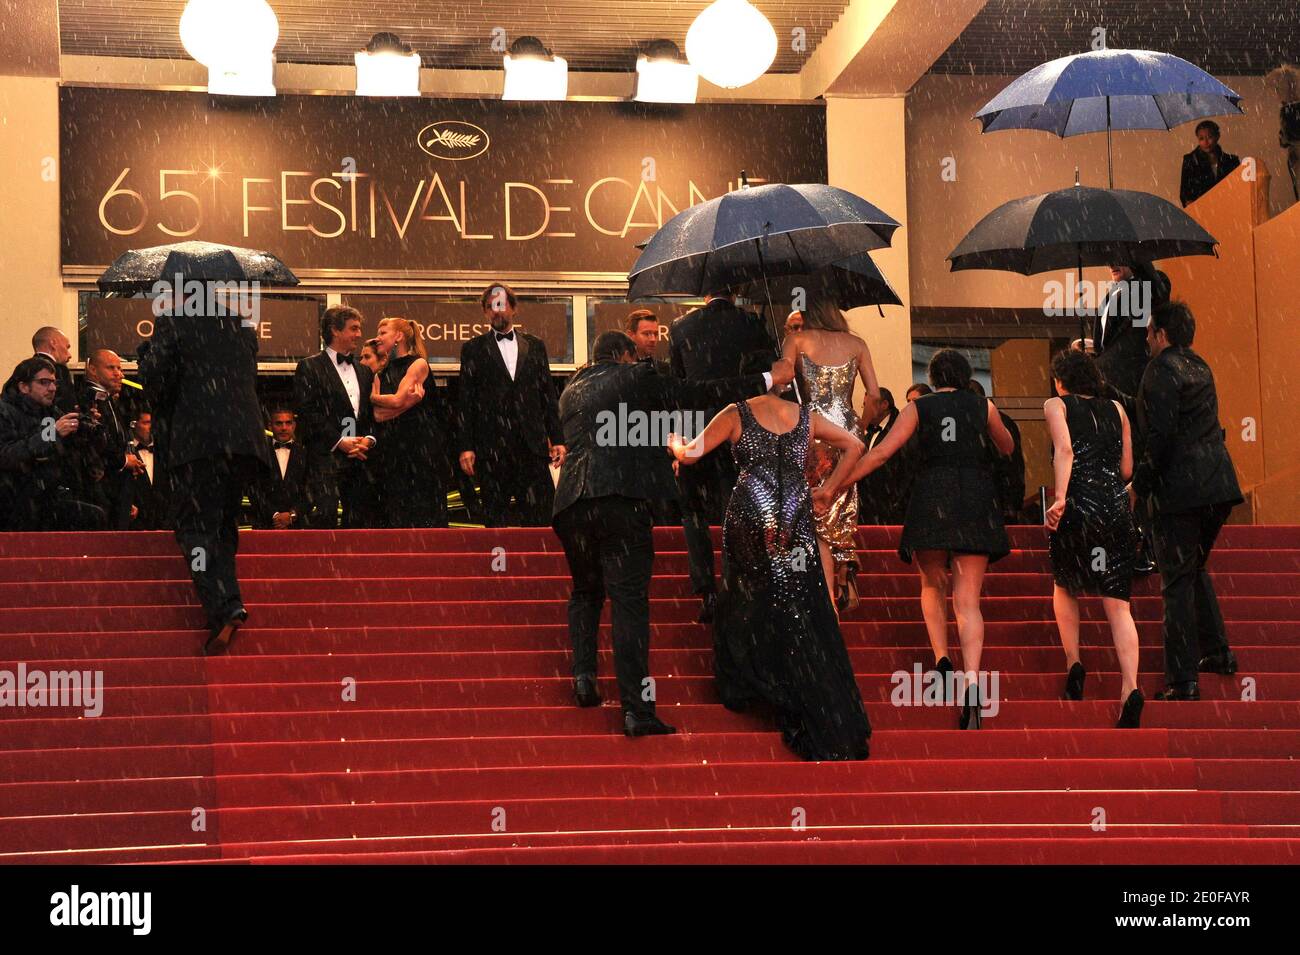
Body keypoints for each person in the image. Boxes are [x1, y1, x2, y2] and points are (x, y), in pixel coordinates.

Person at [552, 330, 791, 736]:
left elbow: (620, 431)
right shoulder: (636, 377)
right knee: (629, 601)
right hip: (620, 499)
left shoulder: (571, 391)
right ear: (626, 355)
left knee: (586, 592)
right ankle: (636, 710)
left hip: (572, 503)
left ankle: (584, 678)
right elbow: (696, 393)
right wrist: (768, 380)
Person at [669, 374, 870, 760]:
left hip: (750, 517)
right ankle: (802, 687)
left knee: (750, 597)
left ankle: (753, 683)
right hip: (795, 516)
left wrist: (674, 443)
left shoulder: (736, 412)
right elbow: (855, 445)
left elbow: (691, 455)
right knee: (796, 599)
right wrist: (828, 490)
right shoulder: (806, 416)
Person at [836, 349, 1014, 729]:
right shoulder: (983, 406)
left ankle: (941, 659)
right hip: (973, 496)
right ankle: (971, 689)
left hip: (933, 495)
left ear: (933, 377)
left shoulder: (920, 408)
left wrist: (842, 483)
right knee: (968, 601)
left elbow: (883, 452)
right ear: (967, 375)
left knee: (932, 583)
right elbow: (1008, 447)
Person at [137, 293, 272, 655]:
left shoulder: (174, 321)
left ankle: (223, 607)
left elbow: (155, 381)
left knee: (195, 528)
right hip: (243, 442)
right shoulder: (242, 324)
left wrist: (145, 351)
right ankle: (231, 600)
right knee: (224, 526)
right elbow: (248, 377)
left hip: (197, 444)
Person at [1132, 301, 1243, 701]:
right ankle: (1217, 653)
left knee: (1176, 581)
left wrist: (1140, 486)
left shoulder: (1160, 369)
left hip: (1180, 489)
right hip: (1217, 485)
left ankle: (1182, 680)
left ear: (1161, 335)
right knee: (1193, 568)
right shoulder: (1201, 366)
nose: (1146, 338)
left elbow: (1160, 437)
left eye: (1148, 331)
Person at [1043, 350, 1144, 728]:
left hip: (1078, 507)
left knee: (1065, 584)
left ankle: (1074, 664)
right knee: (1118, 604)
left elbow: (1065, 451)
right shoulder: (1117, 409)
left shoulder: (1057, 405)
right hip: (1116, 510)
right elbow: (1127, 468)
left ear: (1060, 379)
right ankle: (1130, 687)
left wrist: (1059, 499)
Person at [669, 290, 776, 622]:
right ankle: (736, 582)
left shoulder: (680, 328)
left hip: (697, 430)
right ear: (735, 291)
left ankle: (706, 589)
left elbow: (679, 389)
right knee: (738, 510)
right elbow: (764, 382)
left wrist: (680, 440)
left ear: (704, 292)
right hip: (741, 427)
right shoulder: (752, 322)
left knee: (694, 513)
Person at [782, 293, 879, 611]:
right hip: (847, 430)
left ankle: (822, 582)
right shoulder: (857, 343)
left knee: (816, 506)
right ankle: (844, 565)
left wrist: (786, 340)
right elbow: (874, 396)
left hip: (812, 429)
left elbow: (780, 382)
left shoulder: (797, 340)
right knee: (841, 500)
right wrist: (861, 428)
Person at [457, 283, 564, 527]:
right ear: (485, 312)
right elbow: (466, 400)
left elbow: (547, 394)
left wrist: (557, 439)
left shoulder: (536, 346)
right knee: (496, 522)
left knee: (541, 521)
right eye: (491, 306)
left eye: (501, 305)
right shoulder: (472, 349)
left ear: (514, 308)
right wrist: (466, 446)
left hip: (533, 447)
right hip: (491, 448)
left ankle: (540, 565)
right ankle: (498, 566)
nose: (497, 311)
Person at [293, 305, 380, 528]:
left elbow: (370, 414)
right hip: (325, 457)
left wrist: (368, 440)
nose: (359, 335)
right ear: (335, 330)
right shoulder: (309, 367)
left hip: (360, 459)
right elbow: (307, 412)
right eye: (354, 328)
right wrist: (340, 441)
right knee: (325, 517)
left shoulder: (364, 371)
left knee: (360, 522)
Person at [0, 357, 105, 531]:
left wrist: (86, 428)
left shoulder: (49, 411)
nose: (53, 388)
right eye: (44, 382)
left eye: (54, 382)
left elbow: (72, 448)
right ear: (23, 386)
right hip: (14, 501)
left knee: (94, 516)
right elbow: (7, 455)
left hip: (46, 497)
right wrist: (53, 434)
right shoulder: (5, 411)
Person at [372, 317, 447, 528]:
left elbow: (395, 400)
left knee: (424, 506)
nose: (377, 338)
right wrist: (409, 403)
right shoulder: (381, 372)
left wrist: (377, 399)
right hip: (394, 447)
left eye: (383, 332)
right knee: (396, 507)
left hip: (421, 445)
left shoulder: (418, 363)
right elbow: (378, 415)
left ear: (399, 336)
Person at [624, 308, 679, 526]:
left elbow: (675, 412)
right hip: (628, 461)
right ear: (630, 335)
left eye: (656, 333)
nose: (653, 339)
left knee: (666, 527)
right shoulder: (618, 372)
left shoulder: (665, 370)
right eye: (647, 333)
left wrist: (677, 452)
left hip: (661, 461)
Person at [82, 348, 146, 529]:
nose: (119, 374)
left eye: (120, 368)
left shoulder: (108, 400)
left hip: (115, 489)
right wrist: (125, 460)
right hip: (101, 489)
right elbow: (96, 444)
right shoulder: (89, 398)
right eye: (112, 368)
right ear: (93, 369)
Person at [968, 379, 1025, 523]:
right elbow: (1014, 463)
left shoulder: (976, 422)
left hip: (988, 495)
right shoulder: (1003, 420)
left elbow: (1008, 462)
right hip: (999, 495)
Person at [857, 387, 916, 525]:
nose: (865, 411)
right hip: (869, 508)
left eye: (868, 406)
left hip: (893, 509)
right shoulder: (868, 432)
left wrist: (896, 501)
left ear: (884, 405)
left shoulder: (901, 428)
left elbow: (907, 469)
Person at [248, 408, 309, 530]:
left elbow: (311, 489)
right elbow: (252, 488)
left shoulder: (305, 453)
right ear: (270, 426)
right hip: (264, 525)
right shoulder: (259, 452)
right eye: (279, 423)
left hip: (298, 527)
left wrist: (292, 515)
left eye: (288, 423)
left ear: (294, 425)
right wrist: (274, 515)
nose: (284, 428)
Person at [1180, 120, 1241, 207]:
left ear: (1217, 136)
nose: (1206, 142)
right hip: (1202, 210)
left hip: (1227, 207)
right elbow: (1185, 193)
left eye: (1209, 137)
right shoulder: (1190, 161)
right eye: (1201, 138)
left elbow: (1238, 189)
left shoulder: (1231, 161)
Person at [126, 409, 168, 530]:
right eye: (146, 423)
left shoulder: (164, 452)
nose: (151, 427)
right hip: (134, 525)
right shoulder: (126, 452)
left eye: (152, 423)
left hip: (162, 525)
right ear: (134, 425)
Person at [1265, 64, 1300, 201]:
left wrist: (1284, 137)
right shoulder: (1289, 109)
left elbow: (1288, 137)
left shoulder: (1290, 109)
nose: (1276, 93)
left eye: (1277, 89)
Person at [31, 326, 76, 415]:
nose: (70, 355)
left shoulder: (23, 370)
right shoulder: (58, 370)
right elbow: (67, 408)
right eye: (67, 347)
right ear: (53, 343)